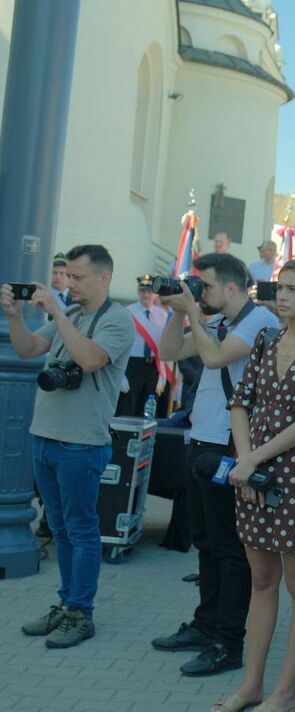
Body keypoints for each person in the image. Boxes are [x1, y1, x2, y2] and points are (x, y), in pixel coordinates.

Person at [214, 257, 295, 712]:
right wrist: (246, 459)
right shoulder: (266, 339)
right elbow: (240, 401)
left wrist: (250, 459)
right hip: (252, 474)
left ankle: (284, 693)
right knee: (262, 579)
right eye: (279, 287)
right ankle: (251, 686)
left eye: (293, 289)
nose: (282, 295)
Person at [151, 253, 280, 677]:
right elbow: (170, 350)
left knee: (229, 548)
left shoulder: (259, 320)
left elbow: (215, 358)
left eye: (203, 286)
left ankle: (229, 642)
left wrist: (193, 312)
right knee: (205, 541)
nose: (198, 293)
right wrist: (177, 310)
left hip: (232, 445)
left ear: (230, 287)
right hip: (202, 441)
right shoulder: (221, 322)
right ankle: (205, 626)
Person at [2, 245, 136, 648]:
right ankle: (65, 604)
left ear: (104, 278)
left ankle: (82, 613)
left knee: (81, 531)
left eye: (78, 277)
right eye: (67, 276)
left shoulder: (117, 319)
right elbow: (27, 349)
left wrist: (57, 312)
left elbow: (91, 360)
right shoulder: (72, 314)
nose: (70, 284)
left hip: (82, 444)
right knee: (59, 530)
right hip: (44, 436)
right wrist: (14, 315)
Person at [116, 277, 171, 417]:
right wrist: (120, 374)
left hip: (154, 366)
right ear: (138, 292)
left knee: (149, 407)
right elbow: (119, 344)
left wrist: (163, 373)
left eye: (149, 291)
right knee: (128, 407)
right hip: (132, 364)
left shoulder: (162, 315)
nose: (146, 295)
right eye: (142, 291)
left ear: (156, 294)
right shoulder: (127, 312)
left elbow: (164, 344)